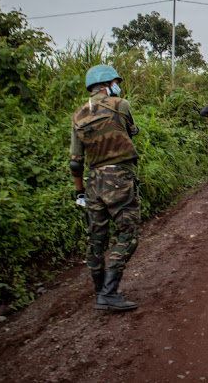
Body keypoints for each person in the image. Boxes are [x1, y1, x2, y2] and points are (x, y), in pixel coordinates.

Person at [70, 64, 140, 311]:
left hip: (93, 182)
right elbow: (132, 132)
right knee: (128, 234)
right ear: (109, 84)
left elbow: (75, 162)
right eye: (116, 83)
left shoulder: (78, 115)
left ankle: (100, 290)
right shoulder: (120, 104)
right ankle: (109, 293)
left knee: (96, 238)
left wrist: (79, 191)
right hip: (119, 178)